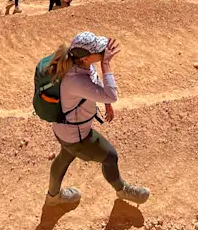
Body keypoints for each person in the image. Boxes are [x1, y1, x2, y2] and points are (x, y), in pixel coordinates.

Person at [45, 31, 150, 207]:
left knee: (66, 155)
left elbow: (96, 84)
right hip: (77, 136)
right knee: (110, 156)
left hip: (62, 128)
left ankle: (53, 196)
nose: (103, 53)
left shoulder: (79, 64)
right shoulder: (76, 81)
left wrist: (106, 104)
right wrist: (106, 64)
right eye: (100, 52)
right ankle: (122, 189)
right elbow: (111, 95)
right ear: (86, 58)